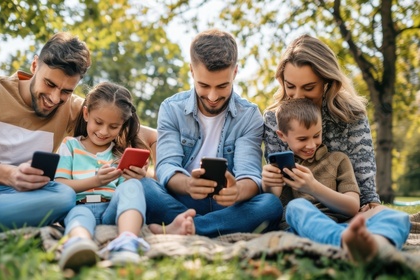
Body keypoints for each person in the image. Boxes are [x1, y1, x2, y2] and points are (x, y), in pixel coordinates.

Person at [0, 32, 156, 236]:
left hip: (18, 201)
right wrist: (9, 174)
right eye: (50, 84)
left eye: (66, 91)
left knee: (63, 195)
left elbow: (136, 130)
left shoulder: (74, 108)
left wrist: (138, 166)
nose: (55, 98)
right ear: (35, 66)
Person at [141, 28, 283, 238]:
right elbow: (166, 167)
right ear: (192, 71)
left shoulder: (249, 115)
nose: (213, 96)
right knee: (141, 185)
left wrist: (237, 191)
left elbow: (250, 174)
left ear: (234, 73)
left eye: (222, 86)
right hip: (183, 197)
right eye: (204, 85)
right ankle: (212, 226)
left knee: (270, 204)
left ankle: (190, 227)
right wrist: (189, 184)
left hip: (228, 204)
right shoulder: (171, 108)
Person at [261, 98, 410, 263]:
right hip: (305, 229)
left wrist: (313, 187)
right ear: (282, 136)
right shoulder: (283, 167)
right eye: (302, 139)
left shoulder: (339, 160)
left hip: (343, 224)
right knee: (296, 207)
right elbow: (272, 202)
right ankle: (344, 244)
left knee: (392, 215)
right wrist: (268, 182)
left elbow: (352, 207)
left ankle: (377, 247)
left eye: (316, 135)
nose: (311, 145)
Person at [263, 34, 381, 210]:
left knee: (383, 217)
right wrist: (268, 181)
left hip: (345, 207)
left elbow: (365, 184)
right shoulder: (275, 118)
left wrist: (369, 204)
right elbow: (276, 186)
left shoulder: (351, 114)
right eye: (290, 86)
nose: (297, 96)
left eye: (309, 88)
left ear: (327, 81)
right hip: (295, 209)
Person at [55, 82, 151, 270]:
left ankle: (127, 241)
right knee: (78, 216)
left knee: (134, 187)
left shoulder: (120, 154)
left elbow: (125, 192)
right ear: (86, 114)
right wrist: (96, 181)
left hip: (110, 209)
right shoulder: (70, 146)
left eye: (113, 126)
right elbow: (60, 185)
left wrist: (135, 178)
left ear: (122, 125)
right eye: (98, 122)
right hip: (80, 205)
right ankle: (79, 245)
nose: (104, 131)